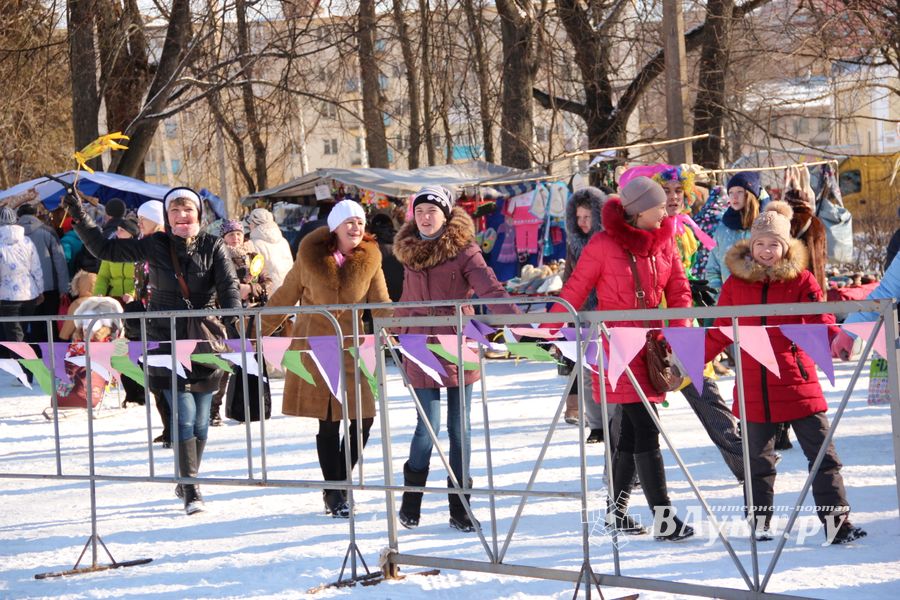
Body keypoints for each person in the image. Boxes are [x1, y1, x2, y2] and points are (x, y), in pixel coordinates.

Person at [65, 187, 241, 516]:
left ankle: (186, 478)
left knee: (202, 423)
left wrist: (233, 316)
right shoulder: (156, 244)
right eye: (174, 211)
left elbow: (228, 285)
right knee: (185, 418)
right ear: (167, 217)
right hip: (165, 339)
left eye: (187, 210)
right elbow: (105, 248)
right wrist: (79, 213)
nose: (181, 216)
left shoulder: (213, 245)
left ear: (198, 214)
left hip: (204, 338)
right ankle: (191, 487)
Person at [705, 201, 866, 544]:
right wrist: (686, 363)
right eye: (760, 243)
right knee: (757, 463)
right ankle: (759, 524)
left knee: (823, 456)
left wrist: (838, 339)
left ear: (785, 245)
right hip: (753, 384)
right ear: (751, 244)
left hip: (796, 381)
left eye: (774, 244)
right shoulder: (735, 284)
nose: (766, 250)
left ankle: (837, 523)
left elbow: (819, 318)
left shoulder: (801, 279)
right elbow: (719, 329)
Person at [551, 176, 695, 541]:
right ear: (639, 210)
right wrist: (546, 327)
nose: (667, 210)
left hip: (649, 350)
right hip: (617, 350)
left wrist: (679, 337)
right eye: (660, 206)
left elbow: (679, 291)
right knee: (646, 428)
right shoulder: (602, 244)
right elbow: (575, 290)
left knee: (631, 434)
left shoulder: (666, 242)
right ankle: (664, 518)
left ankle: (616, 513)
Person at [393, 185, 519, 533]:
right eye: (419, 211)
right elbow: (405, 297)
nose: (426, 216)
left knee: (459, 430)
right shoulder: (407, 252)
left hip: (458, 344)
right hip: (418, 346)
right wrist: (393, 328)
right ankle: (411, 498)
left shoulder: (464, 250)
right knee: (426, 428)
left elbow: (490, 288)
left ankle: (460, 507)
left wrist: (519, 324)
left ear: (445, 214)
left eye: (432, 210)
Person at [261, 200, 390, 518]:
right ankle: (336, 493)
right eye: (348, 222)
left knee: (364, 420)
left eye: (360, 222)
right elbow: (284, 297)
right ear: (334, 227)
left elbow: (381, 302)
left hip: (353, 350)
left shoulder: (371, 258)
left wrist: (408, 324)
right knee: (329, 422)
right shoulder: (310, 256)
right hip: (316, 349)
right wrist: (253, 330)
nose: (355, 227)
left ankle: (338, 484)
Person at [654, 165, 745, 483]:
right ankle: (625, 479)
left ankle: (746, 466)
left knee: (708, 397)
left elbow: (692, 272)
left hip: (684, 327)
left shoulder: (687, 228)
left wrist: (697, 287)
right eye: (666, 191)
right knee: (634, 412)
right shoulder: (650, 230)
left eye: (679, 191)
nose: (674, 197)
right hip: (651, 332)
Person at [210, 219, 272, 426]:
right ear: (223, 238)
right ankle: (214, 408)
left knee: (253, 363)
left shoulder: (254, 257)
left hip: (252, 318)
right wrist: (236, 291)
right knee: (227, 362)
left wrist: (251, 289)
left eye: (238, 233)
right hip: (227, 318)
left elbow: (267, 284)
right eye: (230, 234)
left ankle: (255, 407)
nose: (235, 238)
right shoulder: (218, 257)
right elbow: (214, 287)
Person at [561, 186, 607, 442]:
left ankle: (612, 419)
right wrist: (568, 311)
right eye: (578, 218)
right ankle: (596, 424)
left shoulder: (608, 240)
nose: (583, 222)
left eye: (587, 217)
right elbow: (569, 276)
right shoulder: (573, 243)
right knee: (588, 370)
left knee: (609, 368)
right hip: (584, 311)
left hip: (607, 310)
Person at [130, 200, 173, 447]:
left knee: (165, 376)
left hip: (164, 320)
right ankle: (168, 426)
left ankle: (176, 428)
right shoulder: (144, 246)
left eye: (142, 219)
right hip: (148, 319)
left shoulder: (166, 245)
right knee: (155, 376)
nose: (139, 224)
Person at [16, 203, 69, 343]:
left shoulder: (12, 234)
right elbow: (60, 260)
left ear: (19, 216)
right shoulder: (48, 231)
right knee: (51, 324)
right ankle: (53, 356)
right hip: (49, 287)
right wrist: (64, 288)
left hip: (22, 289)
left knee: (32, 325)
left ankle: (34, 357)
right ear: (36, 214)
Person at [704, 171, 762, 295]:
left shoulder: (764, 226)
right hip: (730, 302)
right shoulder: (722, 228)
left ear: (750, 194)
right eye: (731, 192)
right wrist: (719, 297)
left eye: (739, 192)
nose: (734, 197)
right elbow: (712, 268)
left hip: (759, 300)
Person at [0, 207, 44, 361]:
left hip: (6, 295)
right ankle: (26, 369)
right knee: (23, 333)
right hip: (28, 292)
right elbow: (36, 268)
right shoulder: (27, 240)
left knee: (14, 336)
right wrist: (40, 290)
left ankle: (24, 372)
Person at [247, 207, 293, 294]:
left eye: (250, 223)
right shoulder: (283, 241)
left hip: (271, 293)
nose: (249, 226)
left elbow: (254, 275)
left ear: (254, 223)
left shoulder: (253, 244)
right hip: (290, 290)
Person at [93, 217, 139, 303]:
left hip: (134, 300)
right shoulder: (111, 250)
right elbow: (103, 276)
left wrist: (132, 294)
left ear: (131, 234)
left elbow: (143, 281)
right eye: (117, 229)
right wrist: (99, 294)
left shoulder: (140, 252)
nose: (117, 233)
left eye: (122, 230)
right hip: (113, 299)